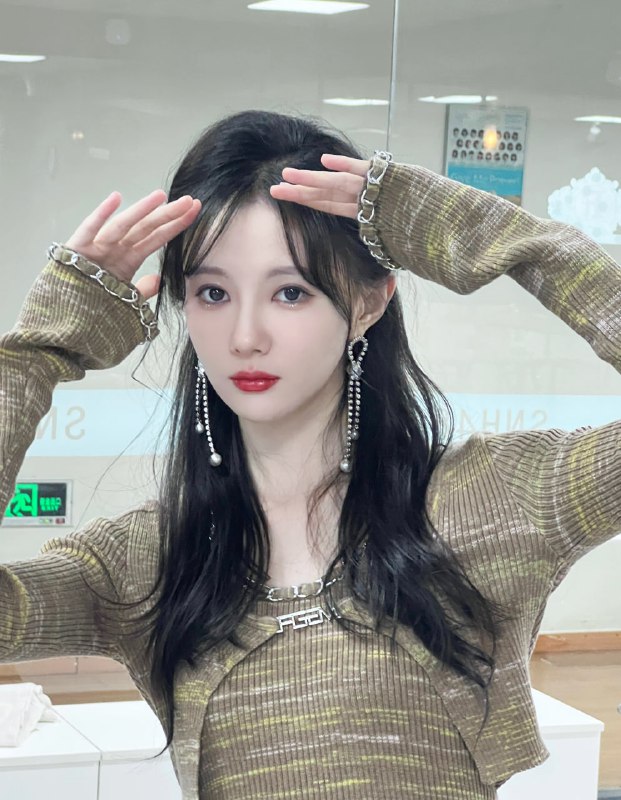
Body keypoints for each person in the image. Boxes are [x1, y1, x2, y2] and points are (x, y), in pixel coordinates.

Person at [0, 109, 619, 799]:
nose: (244, 335)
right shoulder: (152, 560)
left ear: (368, 303)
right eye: (212, 293)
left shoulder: (491, 502)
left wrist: (482, 234)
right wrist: (42, 350)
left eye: (290, 292)